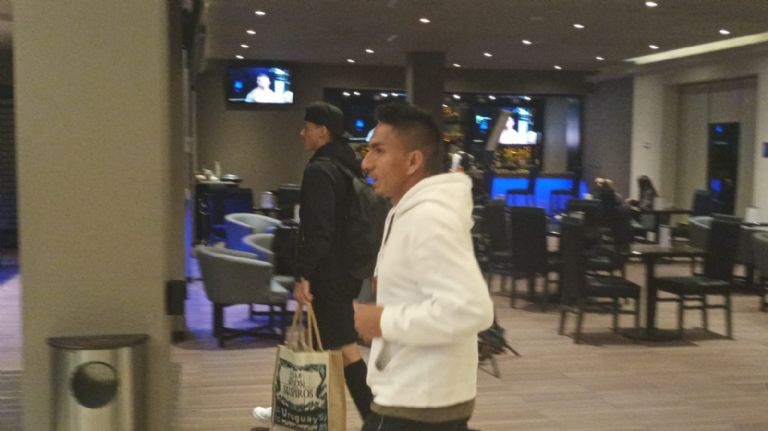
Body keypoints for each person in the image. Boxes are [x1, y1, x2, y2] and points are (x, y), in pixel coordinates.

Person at [354, 102, 494, 431]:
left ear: (413, 161)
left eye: (378, 151)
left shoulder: (428, 217)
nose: (366, 162)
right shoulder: (409, 211)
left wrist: (384, 320)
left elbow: (471, 310)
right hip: (417, 395)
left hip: (417, 405)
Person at [253, 101, 373, 425]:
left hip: (327, 274)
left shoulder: (320, 170)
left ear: (322, 131)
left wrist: (302, 274)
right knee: (322, 342)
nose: (301, 132)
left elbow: (318, 230)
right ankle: (292, 408)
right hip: (346, 271)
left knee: (344, 348)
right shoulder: (347, 167)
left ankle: (375, 420)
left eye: (306, 126)